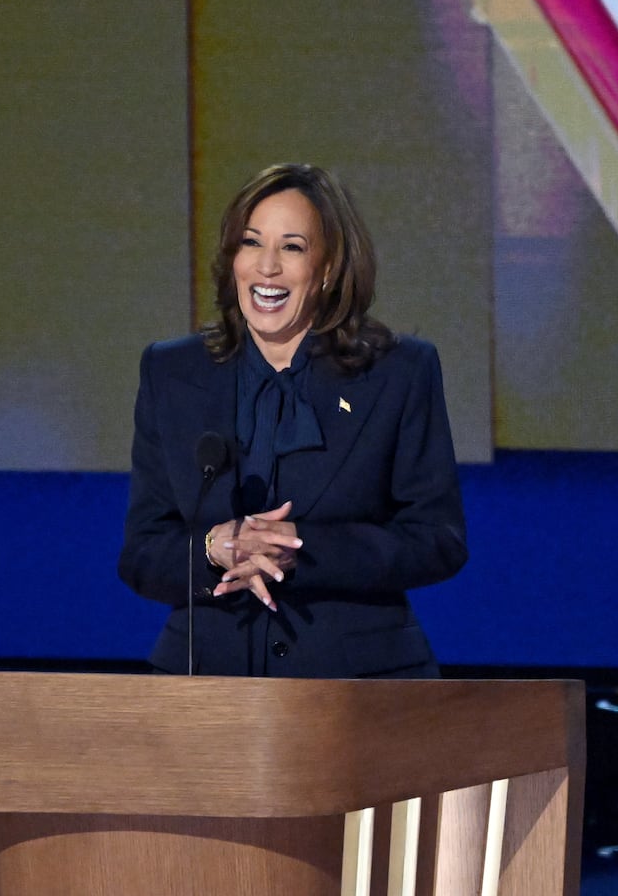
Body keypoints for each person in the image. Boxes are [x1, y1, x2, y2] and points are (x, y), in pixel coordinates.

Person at [117, 163, 467, 677]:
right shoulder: (171, 372)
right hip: (204, 681)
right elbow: (143, 555)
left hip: (356, 683)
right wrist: (216, 548)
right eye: (251, 243)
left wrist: (301, 549)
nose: (267, 267)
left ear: (327, 268)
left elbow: (438, 540)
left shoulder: (398, 372)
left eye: (293, 247)